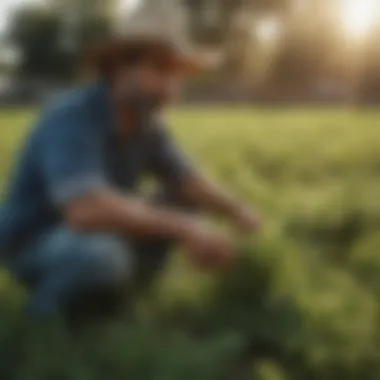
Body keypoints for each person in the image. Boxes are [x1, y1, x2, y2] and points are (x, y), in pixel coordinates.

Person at [0, 19, 260, 325]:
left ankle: (127, 297)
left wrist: (239, 211)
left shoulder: (146, 125)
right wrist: (187, 227)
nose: (170, 88)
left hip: (92, 234)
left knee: (180, 200)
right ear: (120, 68)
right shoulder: (72, 115)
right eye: (161, 70)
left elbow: (189, 181)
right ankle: (41, 322)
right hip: (35, 240)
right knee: (100, 256)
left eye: (177, 75)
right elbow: (85, 210)